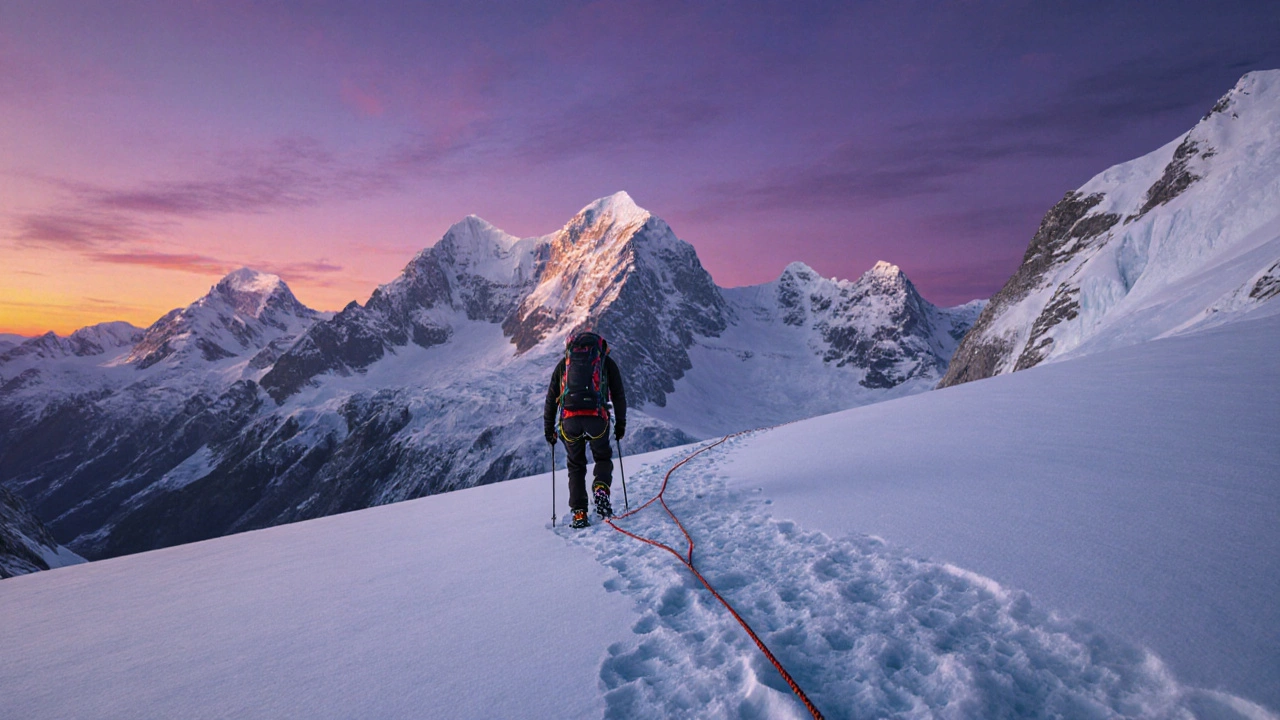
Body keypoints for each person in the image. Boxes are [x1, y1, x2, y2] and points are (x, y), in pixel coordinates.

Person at [544, 330, 626, 529]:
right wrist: (621, 423)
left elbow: (551, 399)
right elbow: (618, 395)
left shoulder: (564, 365)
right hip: (597, 419)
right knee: (602, 457)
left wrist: (549, 429)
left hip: (570, 422)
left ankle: (579, 513)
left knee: (576, 465)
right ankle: (600, 489)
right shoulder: (606, 363)